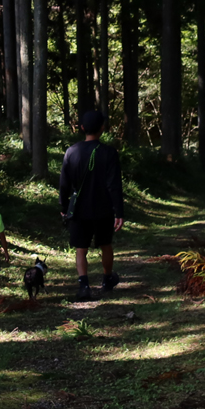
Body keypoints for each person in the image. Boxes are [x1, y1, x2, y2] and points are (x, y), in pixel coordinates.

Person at [59, 110, 125, 302]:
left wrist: (63, 206)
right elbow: (114, 185)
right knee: (105, 244)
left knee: (81, 248)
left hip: (79, 209)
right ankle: (107, 280)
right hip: (103, 208)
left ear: (81, 128)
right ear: (102, 128)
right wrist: (118, 211)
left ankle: (84, 285)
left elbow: (64, 183)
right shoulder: (109, 153)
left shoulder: (71, 152)